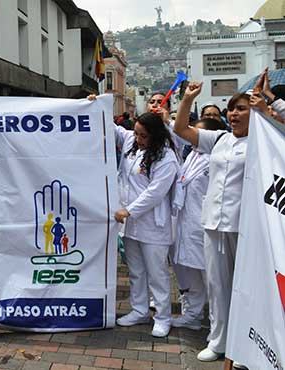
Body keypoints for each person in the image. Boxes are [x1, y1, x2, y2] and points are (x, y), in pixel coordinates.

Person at [172, 76, 270, 367]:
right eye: (231, 109)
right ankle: (219, 341)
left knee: (248, 289)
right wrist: (188, 98)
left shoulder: (265, 141)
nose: (234, 114)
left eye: (241, 109)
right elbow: (179, 129)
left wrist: (268, 108)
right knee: (217, 286)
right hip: (213, 223)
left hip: (246, 226)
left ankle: (246, 347)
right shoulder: (219, 139)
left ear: (255, 111)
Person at [91, 93, 179, 337]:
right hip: (129, 224)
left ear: (156, 136)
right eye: (137, 133)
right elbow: (114, 130)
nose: (138, 139)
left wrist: (129, 211)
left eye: (144, 136)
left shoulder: (166, 157)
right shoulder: (132, 141)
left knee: (157, 273)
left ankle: (162, 317)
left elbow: (155, 193)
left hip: (152, 223)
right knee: (136, 270)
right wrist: (94, 105)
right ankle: (139, 310)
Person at [169, 118, 227, 331]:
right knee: (188, 271)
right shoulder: (192, 154)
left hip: (205, 225)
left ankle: (219, 326)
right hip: (185, 223)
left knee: (211, 278)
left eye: (196, 133)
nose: (190, 136)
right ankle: (193, 315)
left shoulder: (217, 159)